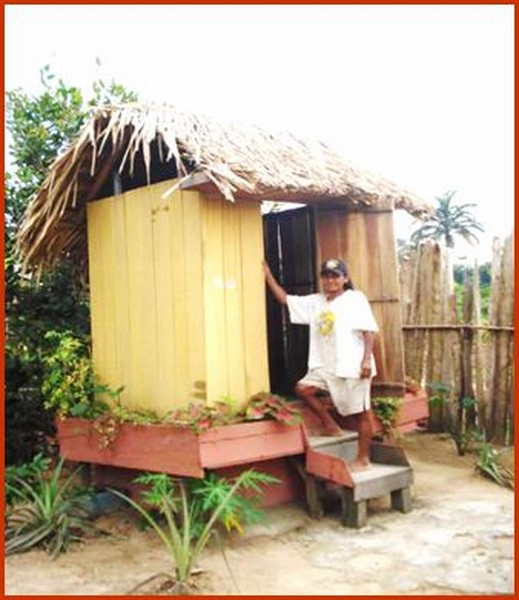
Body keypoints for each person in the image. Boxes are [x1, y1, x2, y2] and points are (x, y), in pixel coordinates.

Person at [263, 257, 379, 471]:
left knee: (361, 413)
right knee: (303, 389)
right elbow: (286, 300)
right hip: (325, 366)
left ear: (345, 278)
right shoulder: (316, 301)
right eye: (326, 276)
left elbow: (368, 331)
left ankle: (363, 459)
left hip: (353, 365)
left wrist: (366, 360)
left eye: (335, 276)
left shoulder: (355, 299)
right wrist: (268, 275)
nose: (330, 280)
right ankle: (330, 425)